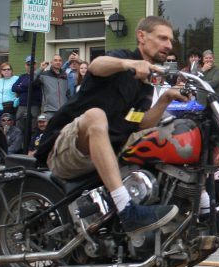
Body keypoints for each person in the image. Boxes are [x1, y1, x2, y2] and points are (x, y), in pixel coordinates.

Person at [33, 16, 188, 237]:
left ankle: (197, 210)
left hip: (107, 152)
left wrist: (166, 99)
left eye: (170, 40)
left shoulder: (145, 86)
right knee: (96, 116)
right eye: (162, 38)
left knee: (167, 133)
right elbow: (97, 65)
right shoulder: (122, 58)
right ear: (142, 37)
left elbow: (139, 123)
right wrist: (130, 64)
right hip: (68, 149)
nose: (169, 45)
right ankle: (127, 210)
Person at [12, 57, 43, 126]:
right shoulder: (22, 76)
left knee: (34, 127)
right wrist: (25, 87)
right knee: (19, 126)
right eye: (28, 64)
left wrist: (21, 85)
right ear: (25, 65)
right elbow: (13, 88)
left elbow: (31, 85)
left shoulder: (39, 76)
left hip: (34, 106)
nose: (30, 66)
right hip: (22, 106)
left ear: (36, 65)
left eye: (33, 64)